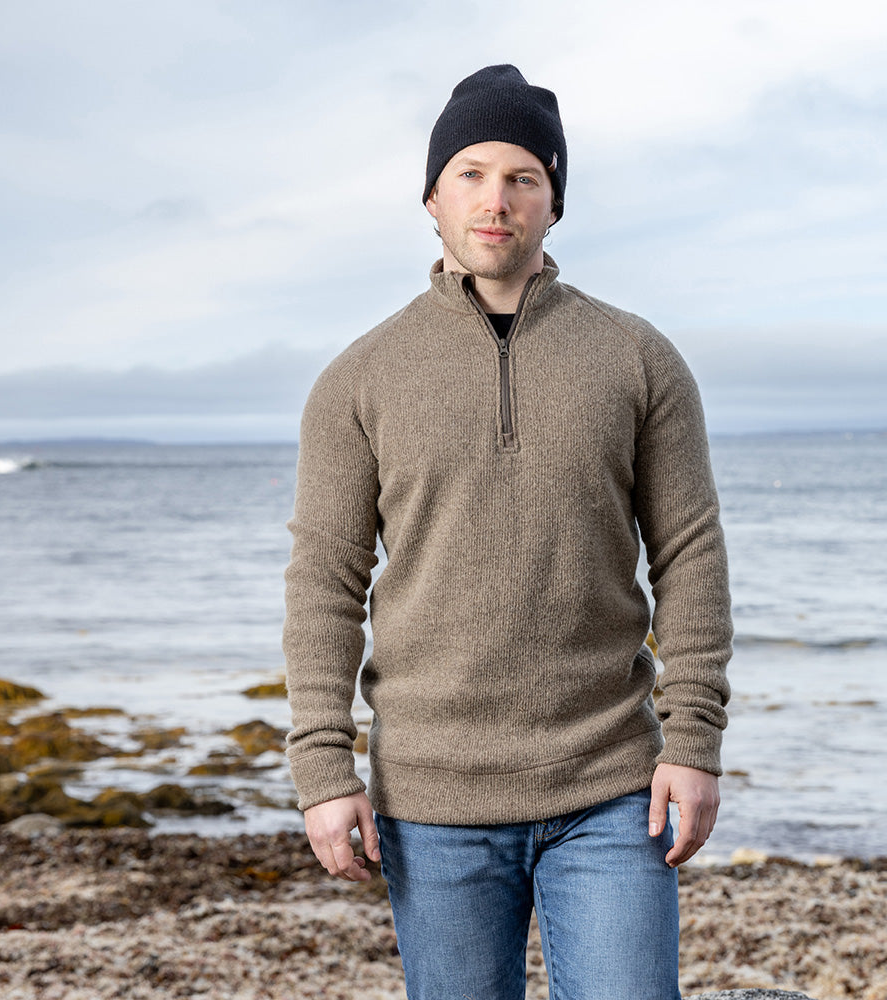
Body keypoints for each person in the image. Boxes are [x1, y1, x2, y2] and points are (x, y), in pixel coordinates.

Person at [283, 64, 732, 1000]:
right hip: (433, 802)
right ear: (432, 196)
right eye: (473, 174)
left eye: (525, 177)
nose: (498, 200)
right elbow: (325, 582)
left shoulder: (638, 358)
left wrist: (690, 743)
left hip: (611, 784)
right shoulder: (359, 379)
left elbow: (689, 555)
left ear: (554, 202)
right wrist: (323, 766)